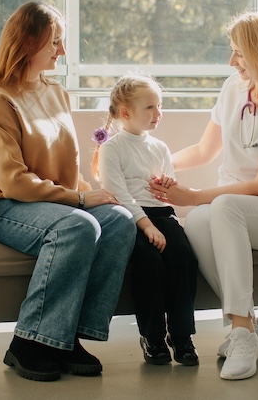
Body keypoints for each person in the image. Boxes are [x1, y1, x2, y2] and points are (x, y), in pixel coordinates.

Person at [0, 1, 136, 382]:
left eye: (62, 42)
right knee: (77, 226)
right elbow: (12, 180)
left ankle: (66, 337)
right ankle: (28, 343)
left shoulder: (55, 92)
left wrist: (94, 194)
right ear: (27, 42)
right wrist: (79, 200)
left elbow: (66, 165)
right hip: (3, 204)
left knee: (120, 221)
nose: (62, 52)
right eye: (54, 43)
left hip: (52, 201)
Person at [149, 9, 258, 380]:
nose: (231, 61)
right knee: (198, 222)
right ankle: (251, 326)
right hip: (232, 208)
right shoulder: (233, 88)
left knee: (216, 207)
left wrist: (193, 195)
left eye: (239, 53)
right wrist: (158, 169)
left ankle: (240, 332)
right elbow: (204, 151)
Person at [92, 74, 200, 366]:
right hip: (131, 218)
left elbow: (168, 191)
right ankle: (152, 337)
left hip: (162, 215)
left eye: (159, 106)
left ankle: (181, 336)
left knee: (183, 258)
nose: (158, 114)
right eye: (150, 107)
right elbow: (119, 194)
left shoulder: (160, 147)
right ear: (126, 112)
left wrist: (167, 184)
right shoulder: (112, 148)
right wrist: (146, 225)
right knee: (149, 264)